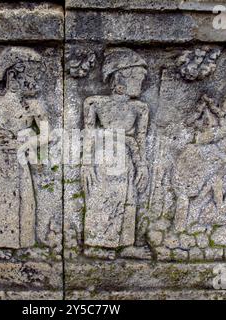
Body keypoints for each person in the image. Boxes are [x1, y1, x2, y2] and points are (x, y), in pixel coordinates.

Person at [0, 47, 47, 258]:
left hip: (21, 159)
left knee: (24, 202)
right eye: (32, 75)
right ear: (13, 76)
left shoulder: (34, 106)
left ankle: (21, 244)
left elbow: (47, 134)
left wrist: (25, 139)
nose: (36, 81)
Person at [82, 48, 150, 259]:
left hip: (128, 158)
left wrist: (142, 166)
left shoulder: (140, 108)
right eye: (138, 76)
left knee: (129, 199)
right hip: (104, 158)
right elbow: (88, 135)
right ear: (121, 76)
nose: (141, 82)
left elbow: (140, 140)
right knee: (103, 197)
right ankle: (97, 244)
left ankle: (125, 243)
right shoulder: (95, 103)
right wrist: (85, 164)